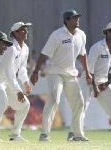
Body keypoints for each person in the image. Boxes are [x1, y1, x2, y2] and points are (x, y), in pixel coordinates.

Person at [30, 9, 92, 141]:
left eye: (78, 18)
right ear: (66, 20)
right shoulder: (57, 35)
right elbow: (44, 54)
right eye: (74, 18)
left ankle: (77, 135)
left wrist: (87, 72)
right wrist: (35, 72)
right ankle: (44, 134)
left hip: (70, 73)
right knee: (54, 98)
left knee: (79, 103)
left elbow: (83, 54)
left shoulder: (81, 35)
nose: (77, 20)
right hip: (54, 71)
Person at [82, 22, 111, 141]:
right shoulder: (97, 47)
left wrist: (105, 85)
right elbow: (90, 70)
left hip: (103, 81)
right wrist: (95, 87)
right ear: (107, 33)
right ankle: (75, 134)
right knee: (82, 107)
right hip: (87, 79)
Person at [0, 22, 32, 142]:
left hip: (8, 80)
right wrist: (18, 90)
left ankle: (15, 135)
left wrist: (26, 81)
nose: (26, 32)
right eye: (23, 30)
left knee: (24, 105)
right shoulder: (11, 48)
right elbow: (8, 72)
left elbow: (22, 68)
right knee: (2, 102)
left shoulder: (25, 48)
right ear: (15, 33)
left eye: (26, 29)